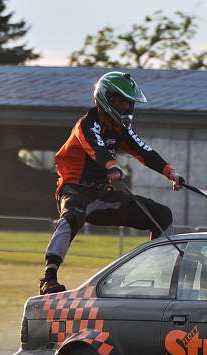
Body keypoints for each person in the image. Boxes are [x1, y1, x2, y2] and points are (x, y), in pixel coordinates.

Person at [39, 71, 182, 295]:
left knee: (162, 215)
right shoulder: (87, 124)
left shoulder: (121, 129)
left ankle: (164, 278)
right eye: (122, 101)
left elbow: (143, 150)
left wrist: (169, 172)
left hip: (104, 197)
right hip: (75, 190)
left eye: (129, 102)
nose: (126, 107)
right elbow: (96, 148)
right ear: (106, 98)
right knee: (71, 216)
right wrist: (112, 166)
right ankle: (48, 278)